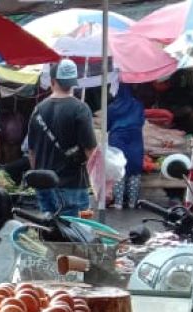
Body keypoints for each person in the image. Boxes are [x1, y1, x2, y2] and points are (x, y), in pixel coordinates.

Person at [27, 59, 97, 217]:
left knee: (49, 231)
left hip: (43, 184)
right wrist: (99, 183)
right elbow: (91, 151)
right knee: (74, 233)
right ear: (73, 83)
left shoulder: (37, 110)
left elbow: (31, 151)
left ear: (52, 81)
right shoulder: (80, 109)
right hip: (72, 185)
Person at [108, 85, 145, 210]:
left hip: (117, 139)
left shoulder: (112, 107)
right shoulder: (138, 105)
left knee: (119, 169)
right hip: (135, 139)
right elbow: (141, 122)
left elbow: (107, 125)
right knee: (134, 169)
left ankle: (118, 203)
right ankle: (132, 203)